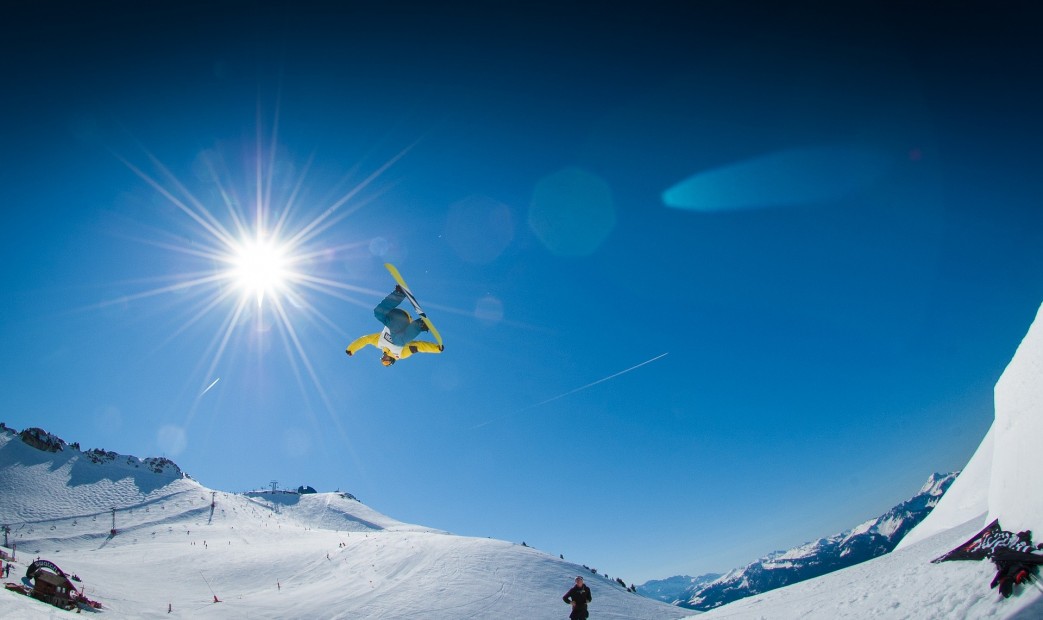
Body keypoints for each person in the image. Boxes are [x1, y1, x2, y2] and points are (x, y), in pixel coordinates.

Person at [346, 286, 443, 366]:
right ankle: (420, 325)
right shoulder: (400, 354)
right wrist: (436, 348)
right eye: (386, 361)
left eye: (382, 360)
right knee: (397, 341)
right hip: (405, 322)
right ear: (392, 361)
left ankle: (399, 294)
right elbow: (418, 346)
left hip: (393, 317)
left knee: (377, 313)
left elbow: (365, 339)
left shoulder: (379, 343)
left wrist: (351, 349)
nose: (384, 359)